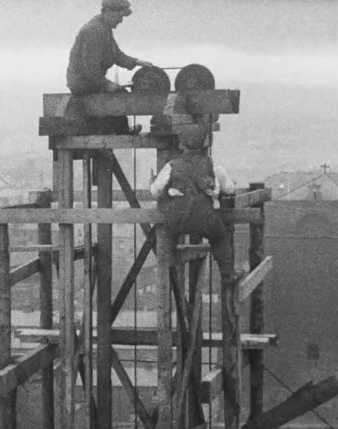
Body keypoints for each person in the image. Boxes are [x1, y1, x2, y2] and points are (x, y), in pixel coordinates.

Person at [149, 127, 240, 284]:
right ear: (204, 142)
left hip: (178, 220)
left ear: (181, 144)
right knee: (220, 237)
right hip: (205, 219)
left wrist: (154, 184)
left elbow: (156, 191)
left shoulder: (171, 166)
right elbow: (229, 189)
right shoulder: (211, 166)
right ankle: (228, 274)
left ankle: (168, 260)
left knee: (168, 232)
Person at [66, 0, 154, 133]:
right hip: (82, 83)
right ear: (109, 12)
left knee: (117, 92)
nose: (121, 21)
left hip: (89, 80)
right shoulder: (93, 31)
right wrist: (106, 85)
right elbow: (90, 69)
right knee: (118, 94)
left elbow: (115, 54)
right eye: (120, 16)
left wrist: (135, 62)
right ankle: (120, 130)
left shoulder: (103, 28)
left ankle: (115, 130)